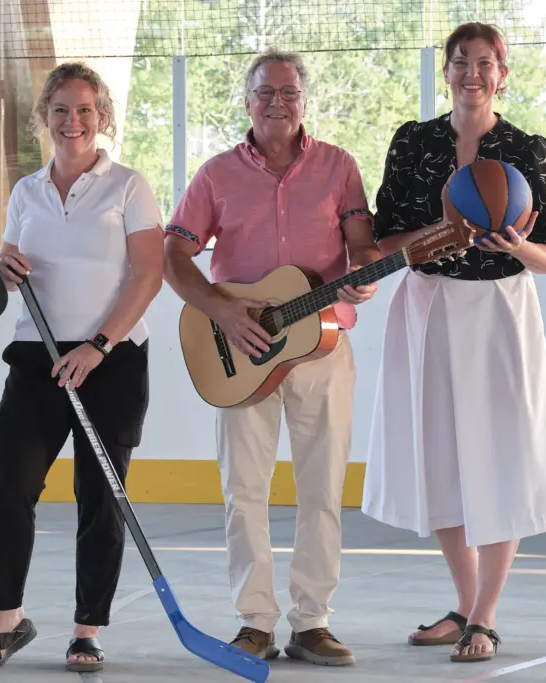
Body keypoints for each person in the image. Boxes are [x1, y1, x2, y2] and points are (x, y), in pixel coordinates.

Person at [361, 22, 546, 664]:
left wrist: (515, 245)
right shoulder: (413, 143)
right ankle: (462, 606)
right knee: (442, 456)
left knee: (502, 455)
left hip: (501, 309)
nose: (472, 73)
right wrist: (441, 232)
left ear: (502, 73)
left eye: (485, 62)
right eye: (461, 62)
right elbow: (382, 242)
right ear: (447, 71)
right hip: (428, 306)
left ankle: (485, 616)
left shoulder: (528, 151)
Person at [162, 47, 379, 667]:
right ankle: (254, 621)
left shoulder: (339, 167)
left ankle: (312, 623)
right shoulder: (214, 176)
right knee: (244, 492)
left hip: (323, 349)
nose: (277, 103)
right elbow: (176, 254)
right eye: (265, 93)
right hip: (242, 352)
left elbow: (362, 247)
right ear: (248, 100)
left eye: (289, 92)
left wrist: (364, 274)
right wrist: (222, 310)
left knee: (322, 492)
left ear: (304, 99)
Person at [0, 61, 163, 673]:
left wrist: (98, 345)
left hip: (112, 359)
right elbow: (14, 268)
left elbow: (148, 275)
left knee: (100, 497)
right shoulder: (25, 192)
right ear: (44, 118)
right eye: (60, 111)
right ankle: (7, 620)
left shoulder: (129, 185)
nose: (72, 121)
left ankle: (86, 630)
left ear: (101, 116)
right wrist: (4, 269)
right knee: (10, 488)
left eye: (83, 110)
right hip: (37, 359)